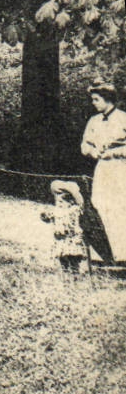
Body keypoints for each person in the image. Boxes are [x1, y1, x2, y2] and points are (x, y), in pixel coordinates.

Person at [80, 82, 126, 261]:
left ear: (108, 99)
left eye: (97, 99)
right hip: (102, 170)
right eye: (92, 99)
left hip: (120, 168)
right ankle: (105, 255)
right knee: (100, 205)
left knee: (120, 207)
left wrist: (114, 152)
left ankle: (122, 254)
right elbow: (85, 144)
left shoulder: (123, 119)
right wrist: (92, 151)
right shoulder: (94, 121)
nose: (94, 103)